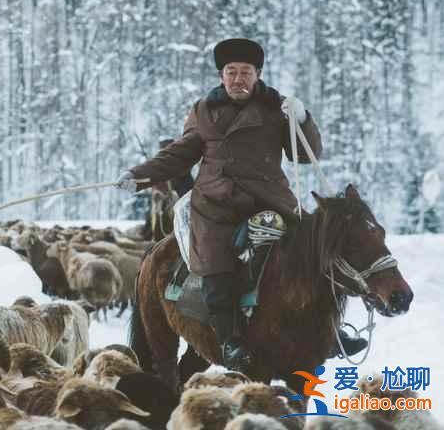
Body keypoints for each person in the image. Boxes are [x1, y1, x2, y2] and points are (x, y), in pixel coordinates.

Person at [116, 38, 366, 370]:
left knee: (314, 251)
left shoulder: (276, 108)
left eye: (245, 72)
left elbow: (305, 155)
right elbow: (179, 155)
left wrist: (303, 119)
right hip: (217, 206)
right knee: (216, 263)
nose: (238, 79)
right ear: (222, 75)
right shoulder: (204, 110)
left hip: (271, 203)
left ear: (257, 74)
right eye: (231, 72)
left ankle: (329, 329)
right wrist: (140, 176)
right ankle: (230, 340)